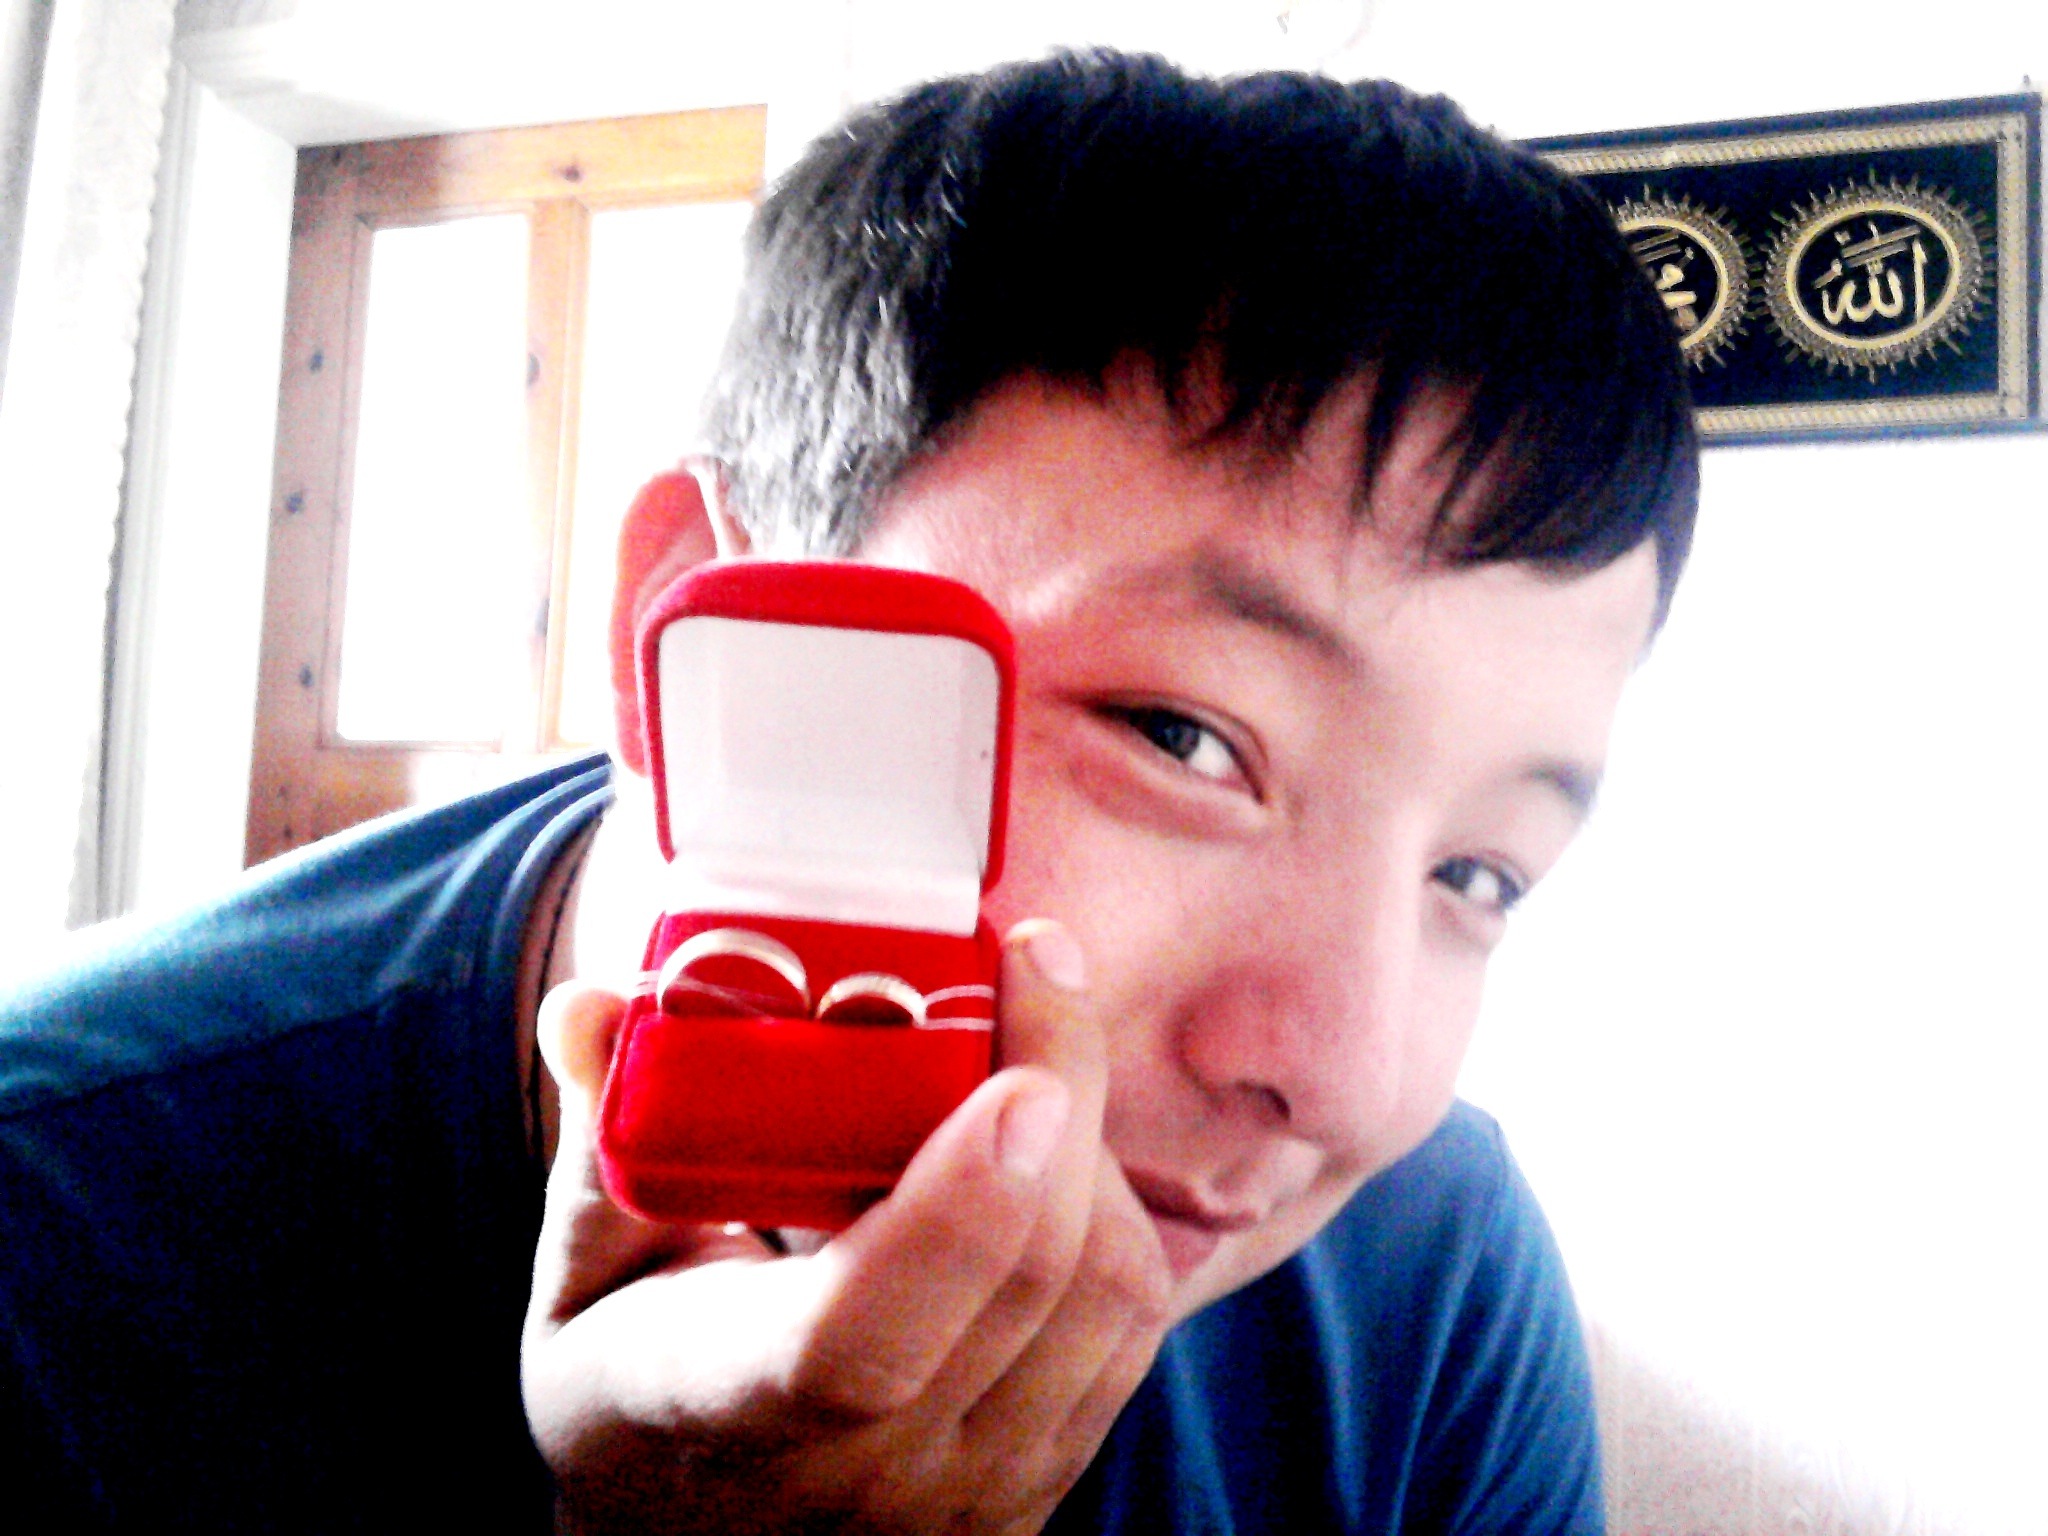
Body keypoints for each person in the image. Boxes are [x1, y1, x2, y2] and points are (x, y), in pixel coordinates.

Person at [0, 49, 1695, 1535]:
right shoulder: (52, 1232)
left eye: (1480, 875)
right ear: (698, 634)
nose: (1345, 1081)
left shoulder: (1434, 1279)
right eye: (1183, 736)